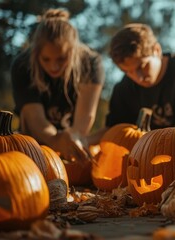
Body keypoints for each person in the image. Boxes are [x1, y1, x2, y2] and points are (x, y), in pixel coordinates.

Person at [87, 23, 175, 144]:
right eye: (127, 71)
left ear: (157, 50)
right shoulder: (125, 88)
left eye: (142, 66)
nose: (138, 77)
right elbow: (114, 131)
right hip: (149, 156)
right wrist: (84, 142)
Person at [11, 8, 105, 161]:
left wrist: (72, 141)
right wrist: (56, 140)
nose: (54, 67)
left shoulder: (90, 63)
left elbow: (85, 118)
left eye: (61, 59)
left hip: (72, 144)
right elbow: (35, 120)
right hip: (33, 147)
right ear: (36, 54)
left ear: (73, 52)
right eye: (46, 59)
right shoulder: (23, 65)